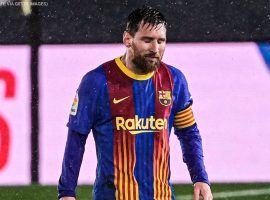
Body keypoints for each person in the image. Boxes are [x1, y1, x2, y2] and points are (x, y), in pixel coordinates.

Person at [58, 5, 213, 200]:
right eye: (147, 40)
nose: (155, 49)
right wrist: (66, 193)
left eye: (161, 41)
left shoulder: (175, 80)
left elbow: (188, 133)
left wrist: (200, 178)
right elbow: (76, 138)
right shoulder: (97, 81)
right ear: (127, 39)